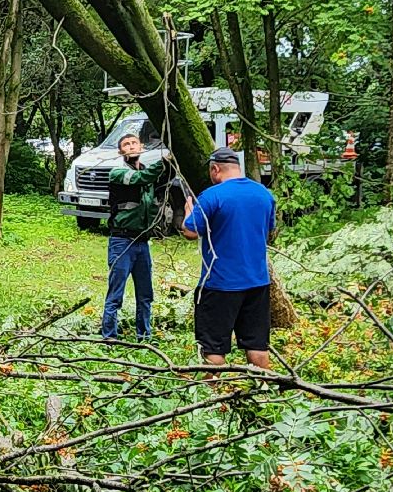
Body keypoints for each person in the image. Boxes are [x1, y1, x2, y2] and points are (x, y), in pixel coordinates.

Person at [182, 147, 276, 369]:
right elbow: (269, 231)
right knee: (257, 345)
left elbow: (190, 231)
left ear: (215, 169)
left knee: (213, 349)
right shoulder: (264, 194)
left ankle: (212, 399)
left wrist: (188, 213)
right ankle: (263, 396)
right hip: (257, 283)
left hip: (220, 284)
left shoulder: (213, 196)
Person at [101, 133, 169, 341]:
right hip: (121, 241)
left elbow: (159, 182)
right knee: (116, 292)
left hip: (142, 242)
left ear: (141, 147)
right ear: (121, 151)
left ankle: (144, 336)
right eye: (126, 145)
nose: (131, 147)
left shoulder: (146, 173)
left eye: (134, 143)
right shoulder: (118, 173)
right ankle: (109, 337)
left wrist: (171, 167)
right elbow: (142, 179)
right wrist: (164, 161)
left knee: (145, 293)